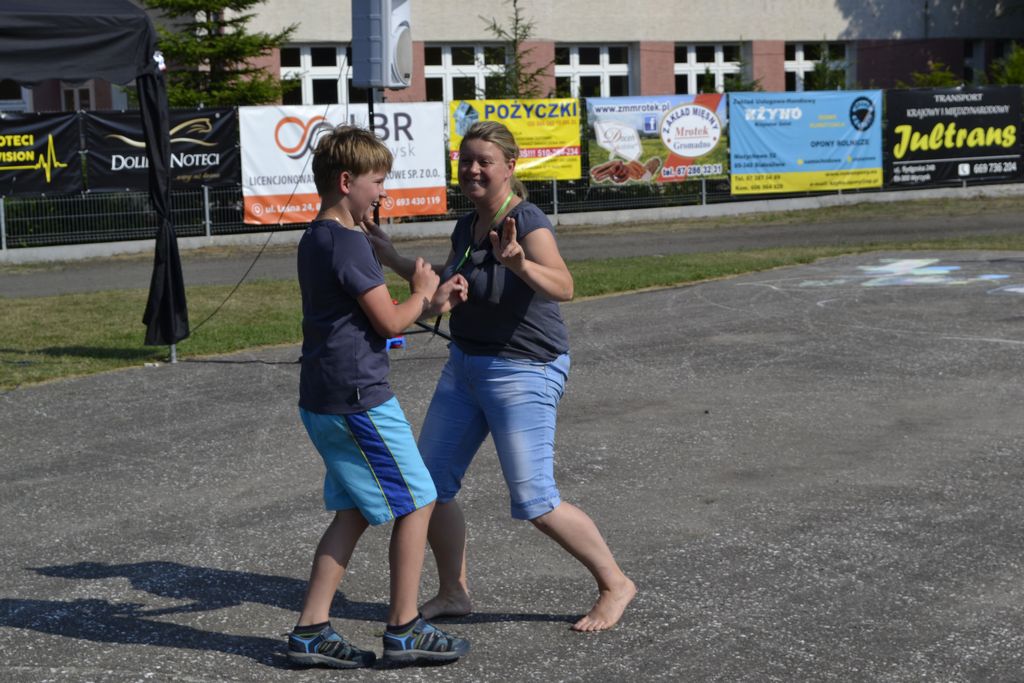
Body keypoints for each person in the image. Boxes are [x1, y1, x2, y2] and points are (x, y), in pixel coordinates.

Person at [367, 120, 636, 632]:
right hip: (465, 365)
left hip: (523, 368)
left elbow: (564, 286)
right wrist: (392, 257)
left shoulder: (526, 219)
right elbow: (445, 282)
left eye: (484, 161)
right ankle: (454, 592)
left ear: (509, 167)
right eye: (465, 160)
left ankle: (614, 583)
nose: (472, 169)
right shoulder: (467, 225)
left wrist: (520, 264)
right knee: (428, 487)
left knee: (536, 501)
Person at [287, 125, 471, 669]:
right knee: (419, 499)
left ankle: (310, 630)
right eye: (377, 182)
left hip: (325, 396)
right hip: (358, 400)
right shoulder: (347, 243)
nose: (383, 193)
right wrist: (422, 293)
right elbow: (389, 319)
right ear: (347, 182)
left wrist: (430, 303)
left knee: (353, 511)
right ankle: (404, 627)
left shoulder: (317, 236)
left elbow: (370, 316)